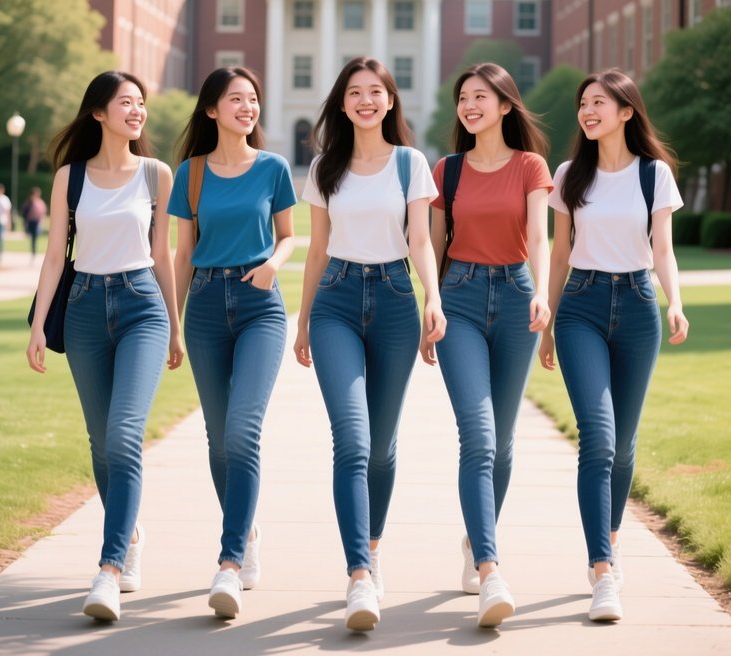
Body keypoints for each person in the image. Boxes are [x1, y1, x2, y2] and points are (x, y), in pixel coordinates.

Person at [294, 56, 446, 631]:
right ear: (341, 103)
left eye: (375, 91)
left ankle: (372, 549)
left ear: (390, 101)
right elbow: (315, 250)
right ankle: (358, 575)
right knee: (352, 439)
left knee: (381, 445)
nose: (365, 100)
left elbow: (421, 241)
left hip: (393, 304)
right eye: (354, 92)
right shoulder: (325, 168)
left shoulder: (410, 164)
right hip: (334, 299)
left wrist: (431, 297)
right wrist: (304, 320)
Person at [26, 71, 183, 622]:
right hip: (87, 307)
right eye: (126, 103)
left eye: (141, 103)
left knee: (124, 434)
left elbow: (162, 255)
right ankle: (132, 532)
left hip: (142, 305)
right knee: (101, 442)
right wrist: (39, 325)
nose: (137, 111)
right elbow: (53, 257)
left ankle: (110, 568)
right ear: (99, 113)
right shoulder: (71, 177)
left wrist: (175, 323)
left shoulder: (157, 175)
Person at [539, 69, 689, 623]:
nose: (587, 111)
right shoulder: (569, 175)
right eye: (584, 104)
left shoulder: (655, 176)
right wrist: (550, 322)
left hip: (637, 309)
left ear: (627, 111)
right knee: (597, 438)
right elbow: (558, 256)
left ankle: (613, 538)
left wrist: (673, 301)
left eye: (598, 102)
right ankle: (601, 568)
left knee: (623, 446)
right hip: (579, 306)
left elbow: (664, 251)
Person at [421, 62, 552, 628]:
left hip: (518, 295)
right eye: (463, 97)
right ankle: (491, 565)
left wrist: (544, 294)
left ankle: (477, 541)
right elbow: (430, 243)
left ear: (505, 105)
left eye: (481, 95)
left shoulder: (530, 165)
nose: (470, 105)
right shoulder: (446, 171)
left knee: (501, 439)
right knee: (477, 434)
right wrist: (431, 299)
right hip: (462, 300)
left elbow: (541, 236)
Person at [168, 66, 296, 620]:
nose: (247, 107)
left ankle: (228, 559)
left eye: (253, 99)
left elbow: (291, 236)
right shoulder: (190, 174)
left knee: (243, 432)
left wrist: (272, 264)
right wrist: (172, 322)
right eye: (235, 99)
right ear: (212, 110)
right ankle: (246, 531)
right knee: (219, 440)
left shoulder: (274, 168)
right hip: (203, 309)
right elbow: (180, 254)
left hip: (260, 305)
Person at [21, 186, 48, 260]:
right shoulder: (29, 202)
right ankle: (33, 252)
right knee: (32, 238)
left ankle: (34, 253)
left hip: (37, 222)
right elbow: (25, 213)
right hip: (30, 222)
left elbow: (43, 213)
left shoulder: (40, 202)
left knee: (34, 238)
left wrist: (42, 222)